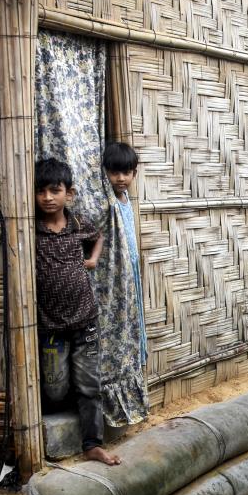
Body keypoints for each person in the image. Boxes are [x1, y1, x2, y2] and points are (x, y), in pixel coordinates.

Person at [34, 158, 119, 466]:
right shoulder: (31, 230)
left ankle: (92, 444)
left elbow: (98, 238)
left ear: (68, 194)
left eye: (54, 190)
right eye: (41, 191)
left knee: (89, 385)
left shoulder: (78, 224)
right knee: (55, 388)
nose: (47, 197)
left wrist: (92, 260)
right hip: (51, 326)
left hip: (85, 320)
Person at [102, 142, 147, 365]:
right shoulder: (107, 201)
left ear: (134, 174)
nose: (121, 178)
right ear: (105, 173)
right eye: (114, 172)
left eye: (126, 172)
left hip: (131, 267)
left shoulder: (125, 198)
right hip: (118, 269)